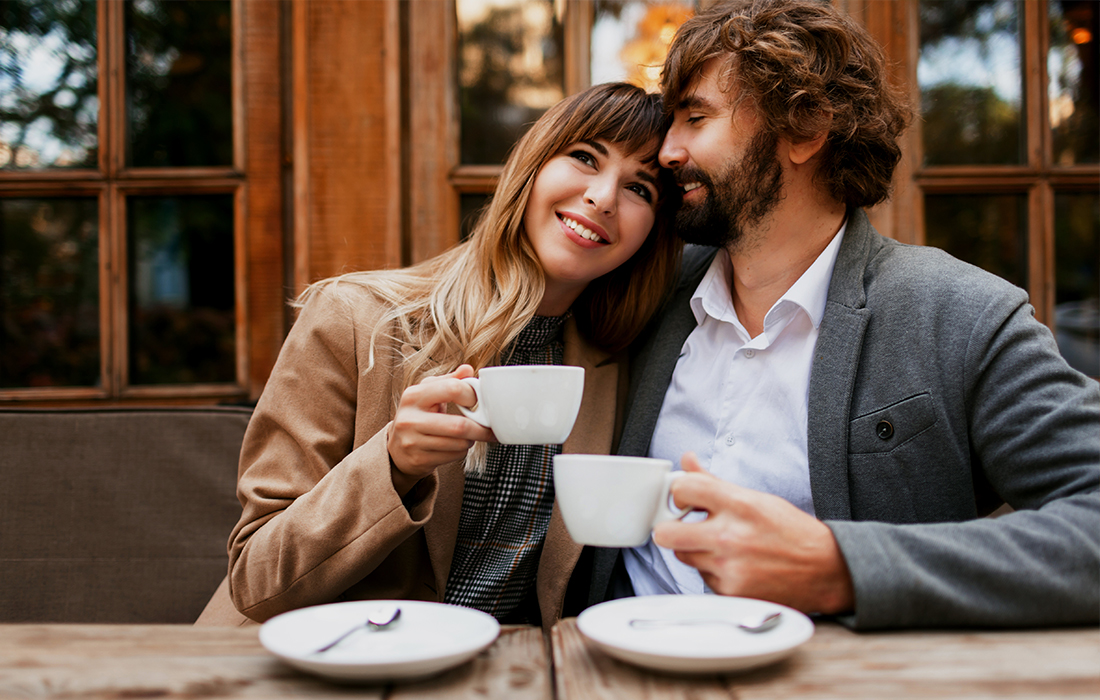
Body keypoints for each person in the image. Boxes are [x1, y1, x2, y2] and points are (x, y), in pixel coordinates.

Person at [586, 0, 1099, 629]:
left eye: (696, 117)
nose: (666, 150)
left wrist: (842, 566)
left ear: (805, 129)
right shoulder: (641, 288)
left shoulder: (961, 315)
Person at [196, 82, 681, 629]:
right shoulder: (355, 319)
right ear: (532, 167)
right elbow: (256, 579)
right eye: (584, 157)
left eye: (640, 188)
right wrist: (393, 465)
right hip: (319, 669)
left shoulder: (624, 364)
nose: (603, 197)